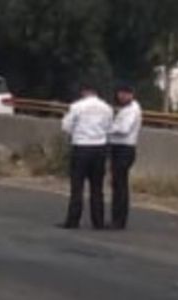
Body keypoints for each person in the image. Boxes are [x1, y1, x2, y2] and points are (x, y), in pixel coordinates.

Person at [59, 82, 114, 230]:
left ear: (84, 92)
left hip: (81, 147)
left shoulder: (77, 106)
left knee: (77, 186)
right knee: (97, 187)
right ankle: (98, 221)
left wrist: (77, 133)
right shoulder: (107, 108)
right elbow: (109, 129)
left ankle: (73, 220)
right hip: (99, 148)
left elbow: (66, 126)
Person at [108, 82, 142, 230]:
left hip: (125, 148)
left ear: (131, 95)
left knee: (120, 185)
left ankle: (119, 220)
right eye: (120, 93)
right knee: (116, 183)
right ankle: (116, 217)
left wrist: (108, 128)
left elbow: (124, 129)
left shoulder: (132, 110)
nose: (121, 96)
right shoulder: (124, 109)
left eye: (125, 94)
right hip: (117, 147)